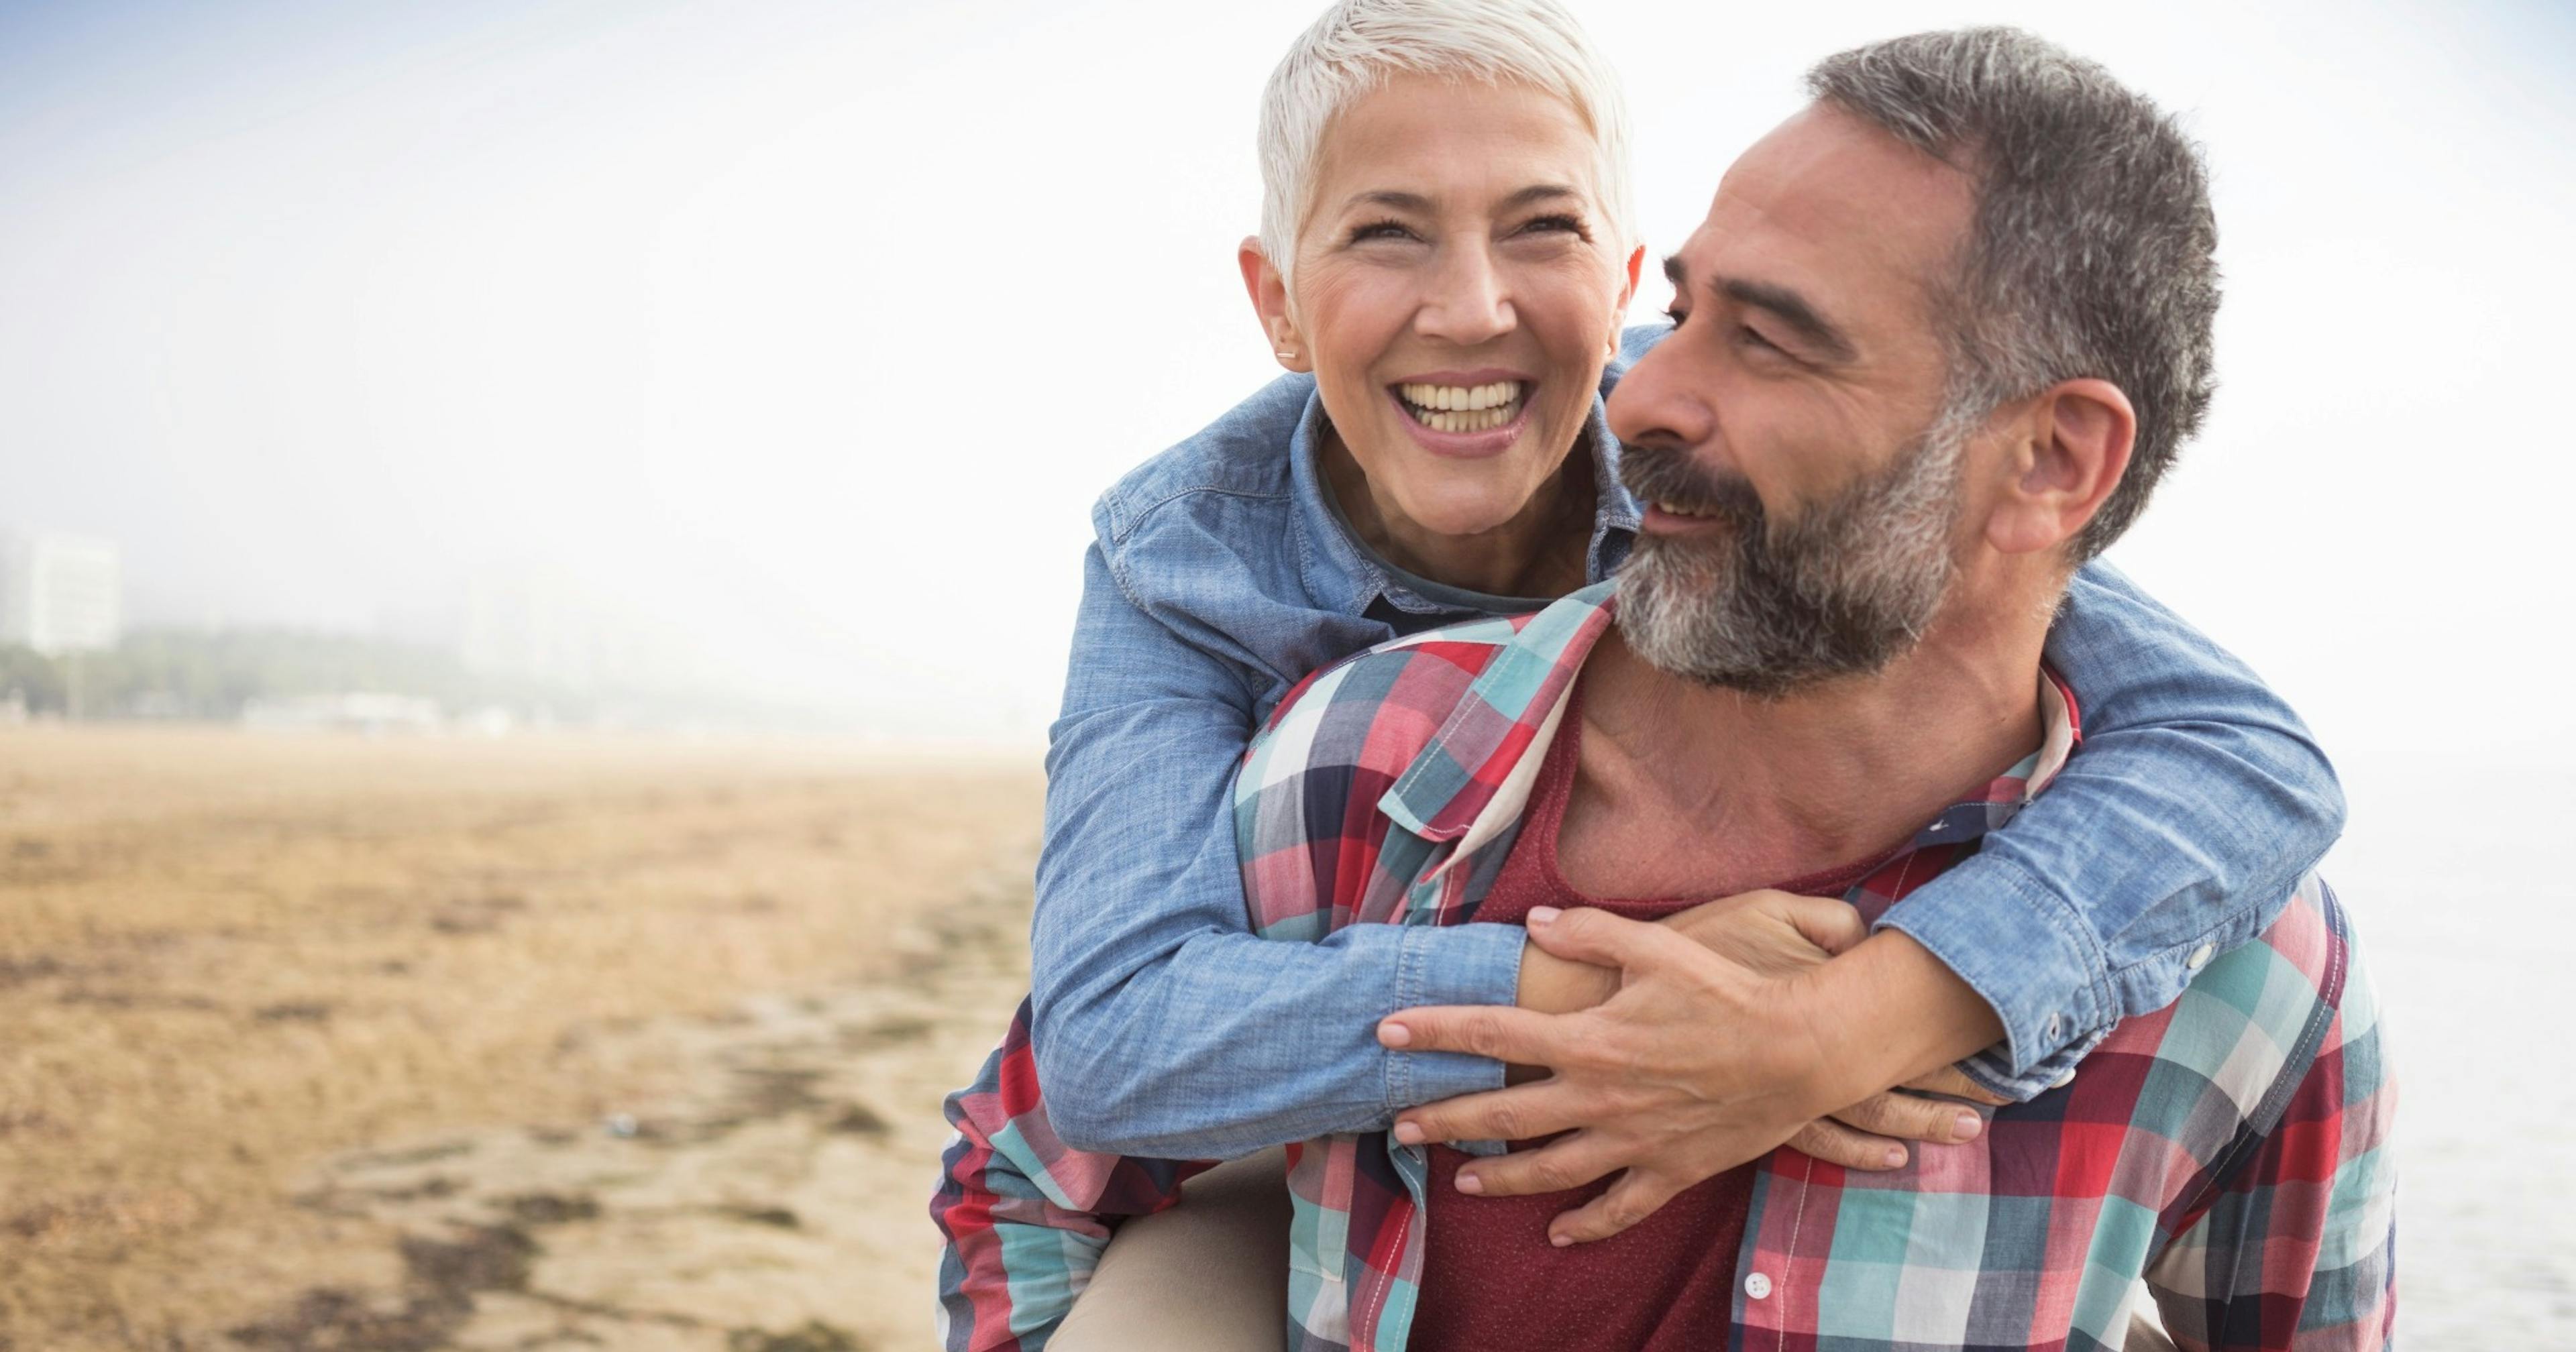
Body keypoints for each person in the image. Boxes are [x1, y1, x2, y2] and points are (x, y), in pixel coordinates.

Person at [941, 26, 2396, 1350]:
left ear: (1618, 276)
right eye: (1387, 235)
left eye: (1544, 231)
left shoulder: (1732, 470)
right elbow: (1106, 1053)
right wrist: (1579, 996)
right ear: (1278, 302)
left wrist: (1850, 1021)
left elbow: (2234, 747)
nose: (1471, 309)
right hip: (1279, 1092)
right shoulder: (1196, 586)